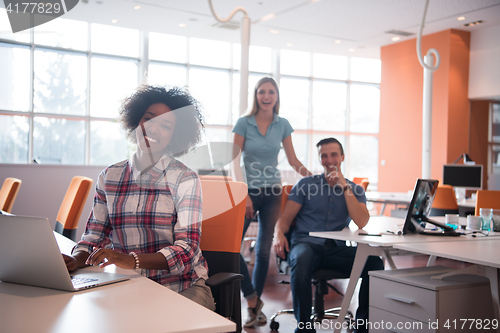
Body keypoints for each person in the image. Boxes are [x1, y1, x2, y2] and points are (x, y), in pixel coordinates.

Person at [63, 85, 215, 310]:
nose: (153, 128)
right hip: (130, 285)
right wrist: (74, 261)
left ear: (175, 136)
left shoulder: (185, 179)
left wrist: (131, 260)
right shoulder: (110, 176)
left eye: (165, 125)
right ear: (137, 122)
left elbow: (187, 250)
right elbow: (94, 237)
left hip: (182, 287)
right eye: (149, 118)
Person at [272, 137, 384, 333]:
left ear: (342, 157)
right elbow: (285, 218)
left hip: (335, 249)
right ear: (320, 159)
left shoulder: (355, 189)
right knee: (302, 258)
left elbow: (362, 221)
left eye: (333, 154)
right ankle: (305, 328)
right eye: (324, 156)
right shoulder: (306, 185)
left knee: (374, 262)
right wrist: (278, 233)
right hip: (306, 245)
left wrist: (345, 187)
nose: (329, 159)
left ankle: (362, 326)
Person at [232, 76, 312, 327]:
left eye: (271, 92)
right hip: (249, 192)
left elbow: (292, 159)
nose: (266, 96)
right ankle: (252, 297)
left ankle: (254, 309)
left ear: (277, 97)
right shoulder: (243, 123)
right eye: (261, 92)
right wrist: (243, 193)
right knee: (233, 247)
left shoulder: (282, 124)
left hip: (273, 193)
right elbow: (234, 160)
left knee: (263, 251)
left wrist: (315, 178)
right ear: (256, 96)